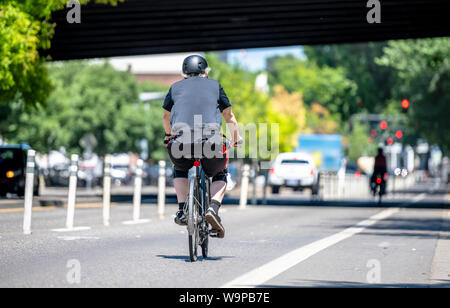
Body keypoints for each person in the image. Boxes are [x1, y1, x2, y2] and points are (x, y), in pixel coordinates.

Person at [162, 55, 242, 238]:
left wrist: (168, 136)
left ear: (184, 73)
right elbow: (229, 116)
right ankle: (213, 209)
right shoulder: (215, 86)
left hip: (180, 144)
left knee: (180, 169)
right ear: (205, 72)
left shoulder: (174, 88)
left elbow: (166, 117)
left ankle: (182, 210)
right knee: (221, 172)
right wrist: (235, 138)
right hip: (211, 143)